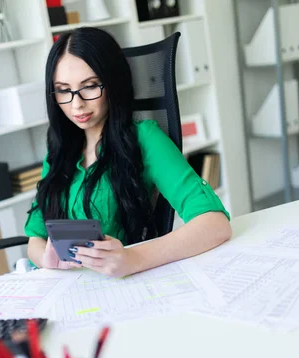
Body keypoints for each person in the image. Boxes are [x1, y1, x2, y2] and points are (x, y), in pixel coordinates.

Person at [23, 27, 232, 278]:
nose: (77, 103)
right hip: (70, 287)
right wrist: (47, 260)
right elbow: (35, 238)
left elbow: (215, 224)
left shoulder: (144, 138)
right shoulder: (59, 150)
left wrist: (133, 258)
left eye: (89, 87)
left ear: (112, 83)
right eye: (64, 90)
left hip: (124, 284)